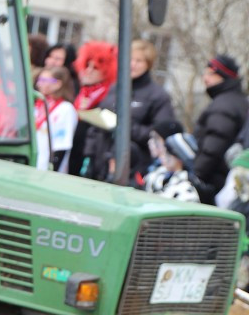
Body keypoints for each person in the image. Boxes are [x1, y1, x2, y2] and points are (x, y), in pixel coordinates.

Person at [81, 39, 174, 184]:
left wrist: (125, 128)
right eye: (130, 59)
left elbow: (160, 133)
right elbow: (96, 126)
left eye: (139, 61)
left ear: (147, 64)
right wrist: (88, 155)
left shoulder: (157, 95)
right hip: (101, 162)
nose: (133, 64)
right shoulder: (115, 88)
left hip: (132, 167)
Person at [193, 54, 249, 203]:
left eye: (211, 73)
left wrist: (196, 175)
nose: (205, 78)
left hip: (215, 180)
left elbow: (213, 145)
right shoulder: (235, 100)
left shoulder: (224, 104)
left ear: (224, 75)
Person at [68, 40, 117, 176]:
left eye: (95, 68)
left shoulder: (109, 96)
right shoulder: (82, 91)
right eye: (87, 65)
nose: (88, 71)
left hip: (92, 156)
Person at [34, 66, 78, 171]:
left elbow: (63, 145)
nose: (39, 84)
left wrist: (52, 170)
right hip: (33, 163)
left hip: (49, 168)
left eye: (45, 80)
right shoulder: (39, 104)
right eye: (39, 80)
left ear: (58, 84)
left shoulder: (66, 109)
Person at [144, 121, 201, 203]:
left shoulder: (185, 188)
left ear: (180, 158)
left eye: (169, 153)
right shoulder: (159, 176)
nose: (165, 156)